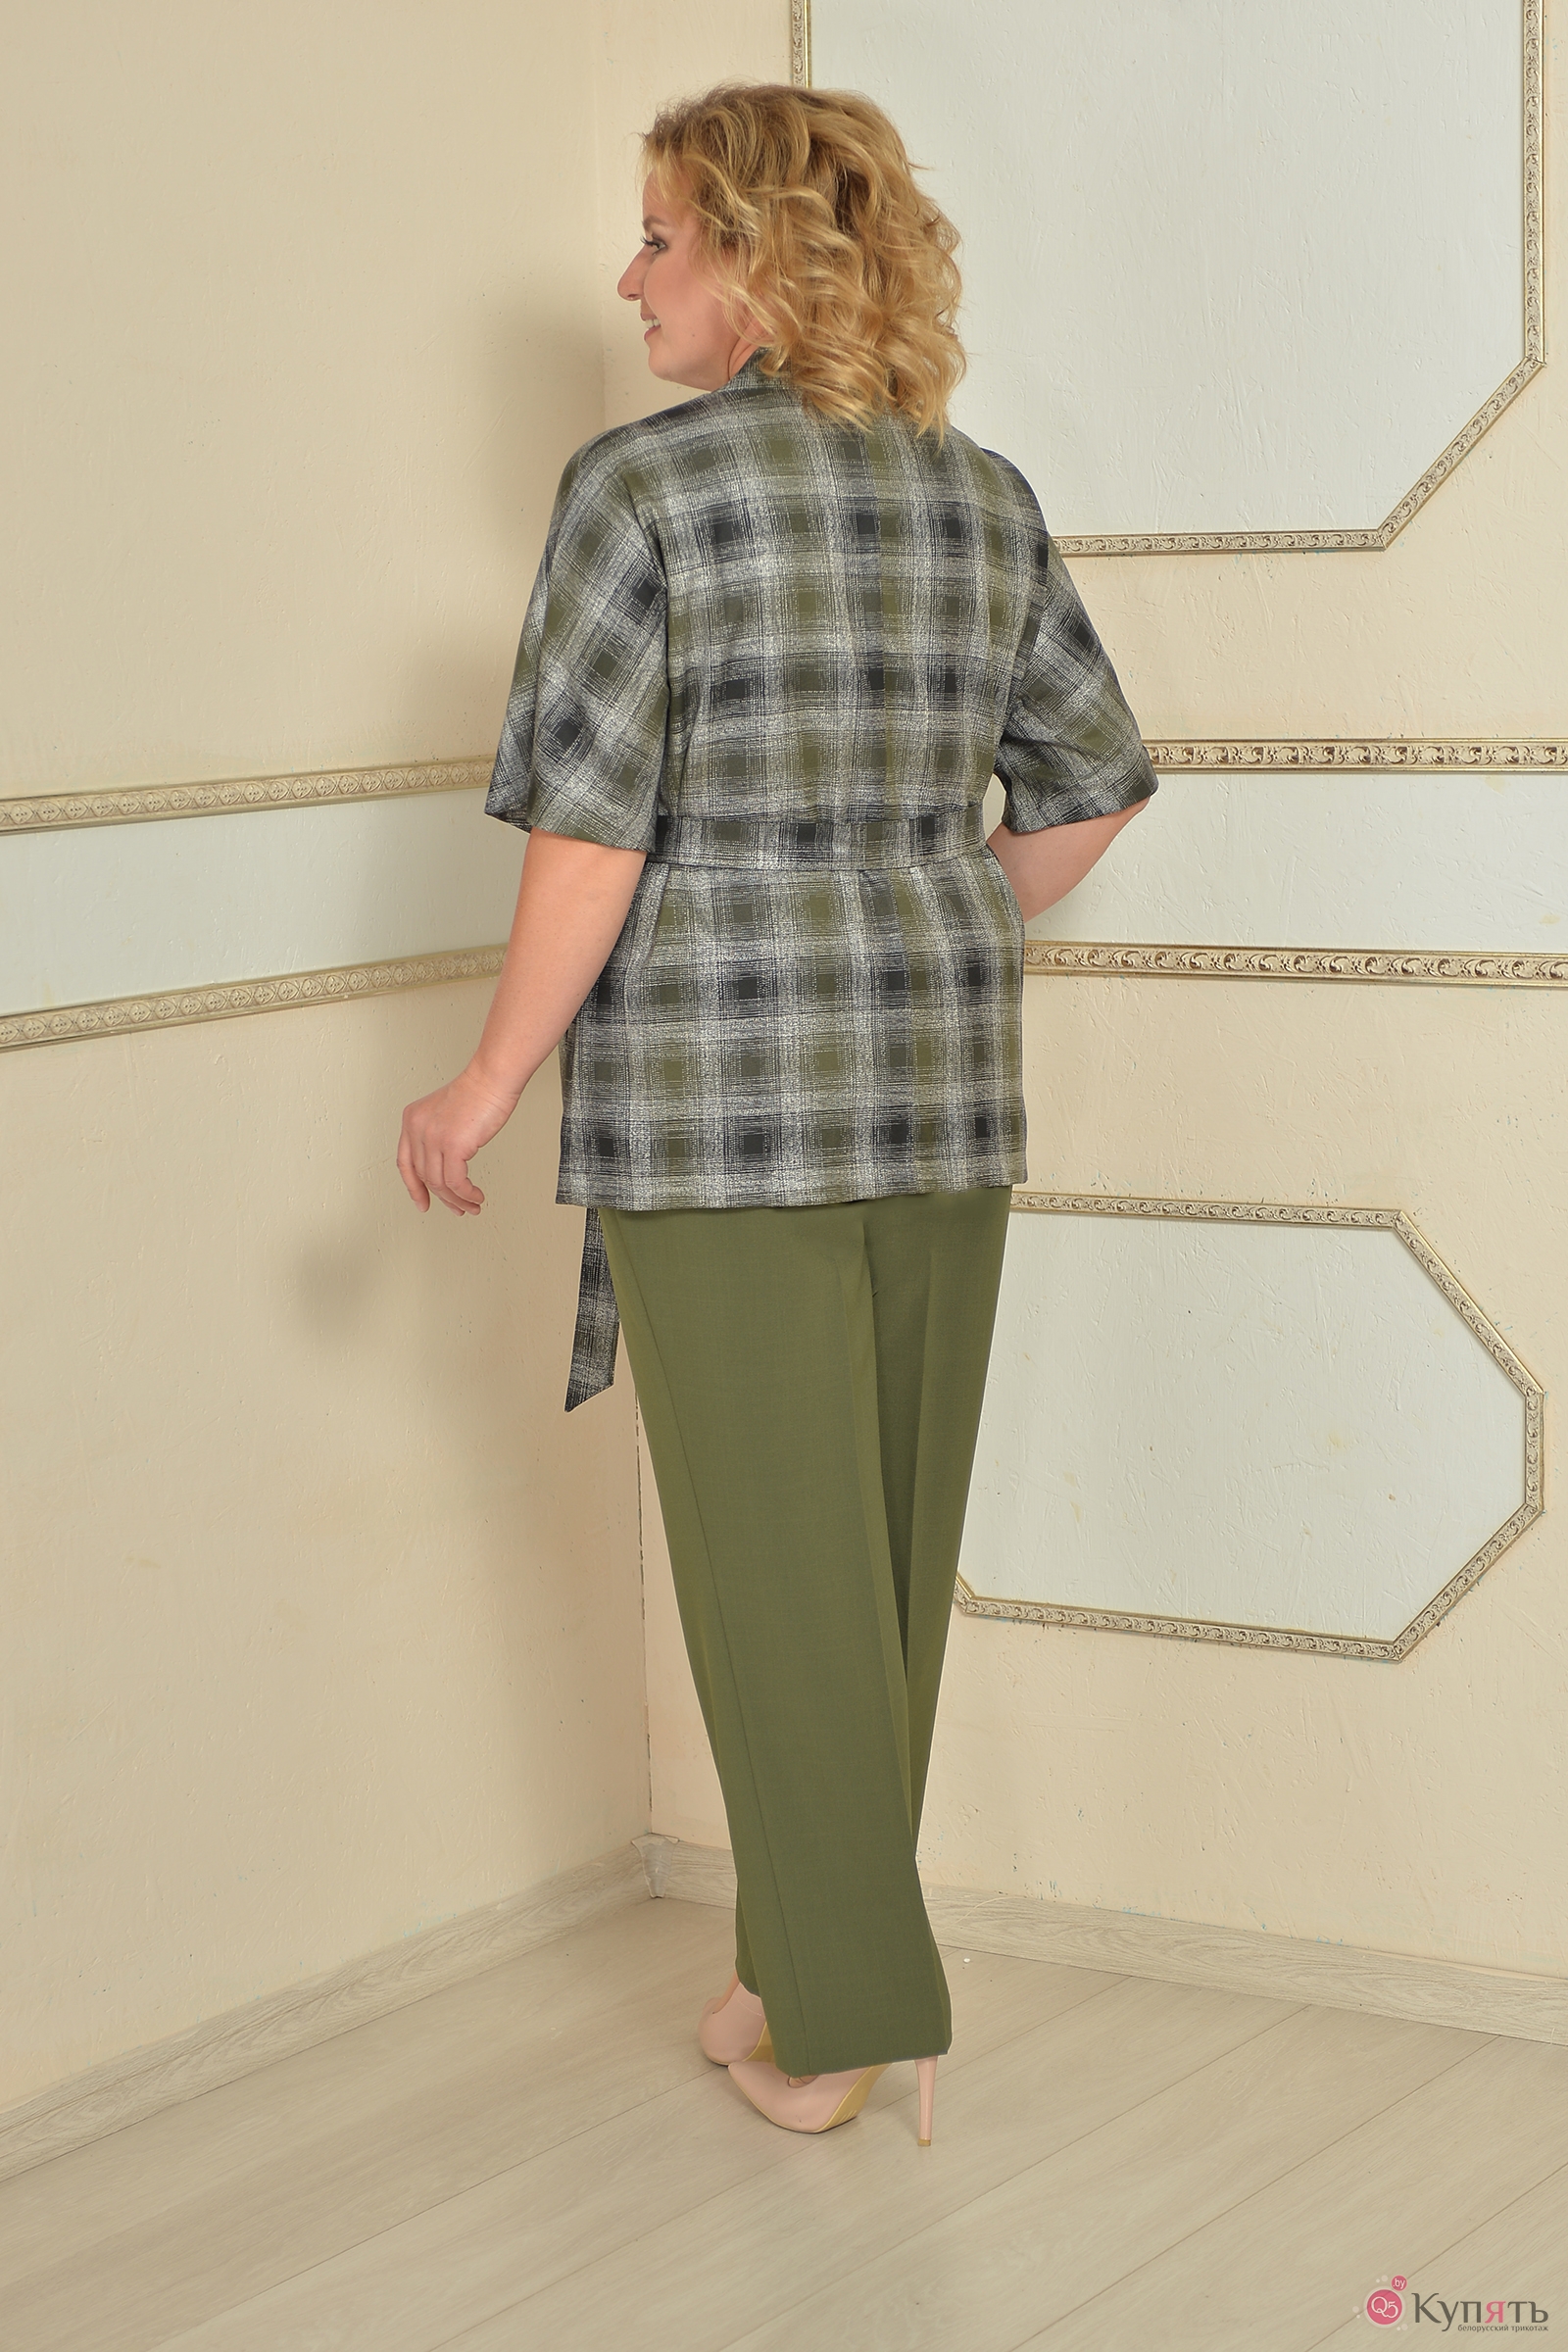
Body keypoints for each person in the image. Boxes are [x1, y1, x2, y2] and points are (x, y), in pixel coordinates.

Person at [397, 82, 1156, 2148]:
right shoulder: (978, 494)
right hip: (940, 1088)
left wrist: (487, 1078)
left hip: (722, 1101)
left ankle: (837, 2023)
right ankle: (797, 1968)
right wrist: (913, 912)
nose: (627, 276)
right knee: (879, 1568)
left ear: (751, 258)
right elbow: (1087, 789)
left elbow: (591, 830)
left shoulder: (641, 489)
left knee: (773, 1573)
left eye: (659, 235)